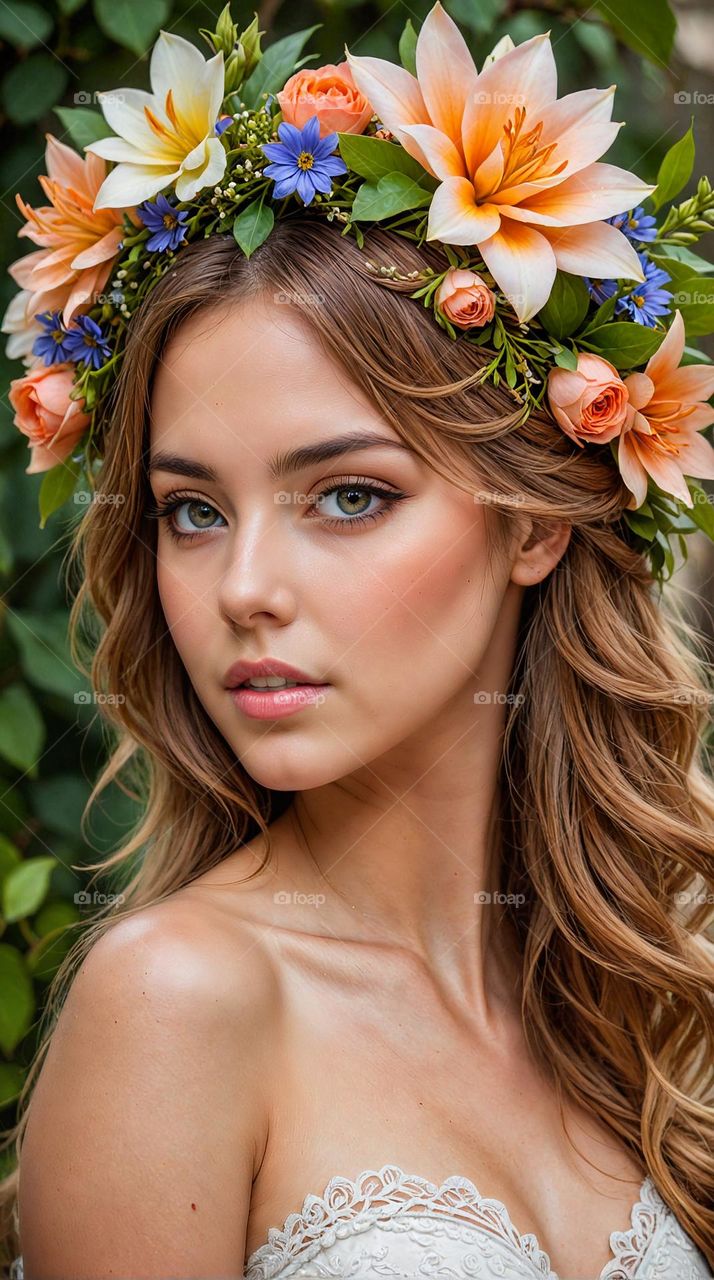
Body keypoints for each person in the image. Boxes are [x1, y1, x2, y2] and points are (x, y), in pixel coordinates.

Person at [2, 6, 713, 1277]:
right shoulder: (175, 999)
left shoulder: (646, 1001)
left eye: (346, 495)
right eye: (192, 511)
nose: (245, 590)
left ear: (533, 523)